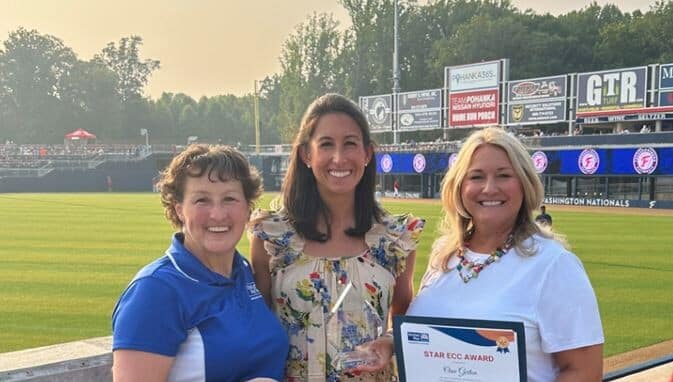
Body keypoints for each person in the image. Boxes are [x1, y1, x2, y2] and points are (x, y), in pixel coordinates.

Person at [358, 127, 604, 381]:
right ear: (460, 187)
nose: (489, 188)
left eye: (503, 175)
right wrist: (389, 342)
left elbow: (584, 371)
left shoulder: (554, 265)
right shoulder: (445, 255)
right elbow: (422, 332)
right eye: (476, 177)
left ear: (525, 183)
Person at [249, 93, 424, 381]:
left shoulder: (395, 240)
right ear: (307, 154)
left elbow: (404, 322)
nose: (339, 158)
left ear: (367, 154)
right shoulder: (273, 237)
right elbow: (257, 326)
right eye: (326, 144)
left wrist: (390, 343)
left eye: (350, 144)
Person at [112, 144, 289, 382]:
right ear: (179, 210)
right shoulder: (155, 291)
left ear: (248, 209)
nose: (217, 214)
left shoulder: (244, 272)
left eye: (229, 199)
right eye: (202, 200)